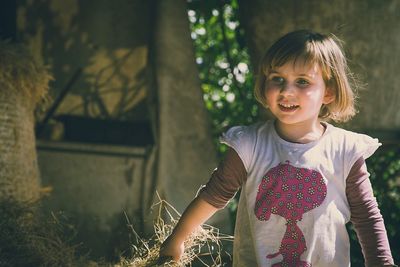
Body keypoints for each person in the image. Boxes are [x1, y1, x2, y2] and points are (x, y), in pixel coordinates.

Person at [158, 30, 396, 266]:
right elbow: (214, 194)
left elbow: (366, 216)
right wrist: (177, 239)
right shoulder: (249, 144)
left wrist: (382, 263)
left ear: (329, 91)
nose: (286, 91)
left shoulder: (345, 150)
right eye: (277, 79)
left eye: (302, 81)